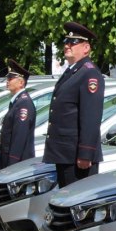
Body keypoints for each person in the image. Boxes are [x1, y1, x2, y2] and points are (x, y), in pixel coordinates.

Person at [42, 22, 105, 187]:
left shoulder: (89, 73)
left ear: (86, 48)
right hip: (66, 153)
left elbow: (90, 116)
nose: (67, 45)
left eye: (73, 42)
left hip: (77, 156)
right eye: (66, 41)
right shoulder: (73, 71)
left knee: (75, 206)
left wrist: (86, 152)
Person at [0, 60, 36, 170]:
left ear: (21, 82)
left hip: (18, 162)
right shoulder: (17, 102)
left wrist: (13, 163)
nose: (7, 81)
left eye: (11, 78)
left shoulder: (24, 103)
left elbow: (19, 136)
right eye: (7, 78)